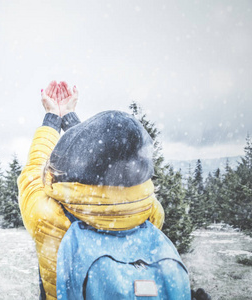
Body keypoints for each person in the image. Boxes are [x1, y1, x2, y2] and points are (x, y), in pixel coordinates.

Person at [17, 80, 165, 300]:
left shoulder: (50, 219)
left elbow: (32, 172)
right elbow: (105, 159)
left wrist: (52, 117)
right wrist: (71, 118)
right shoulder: (150, 212)